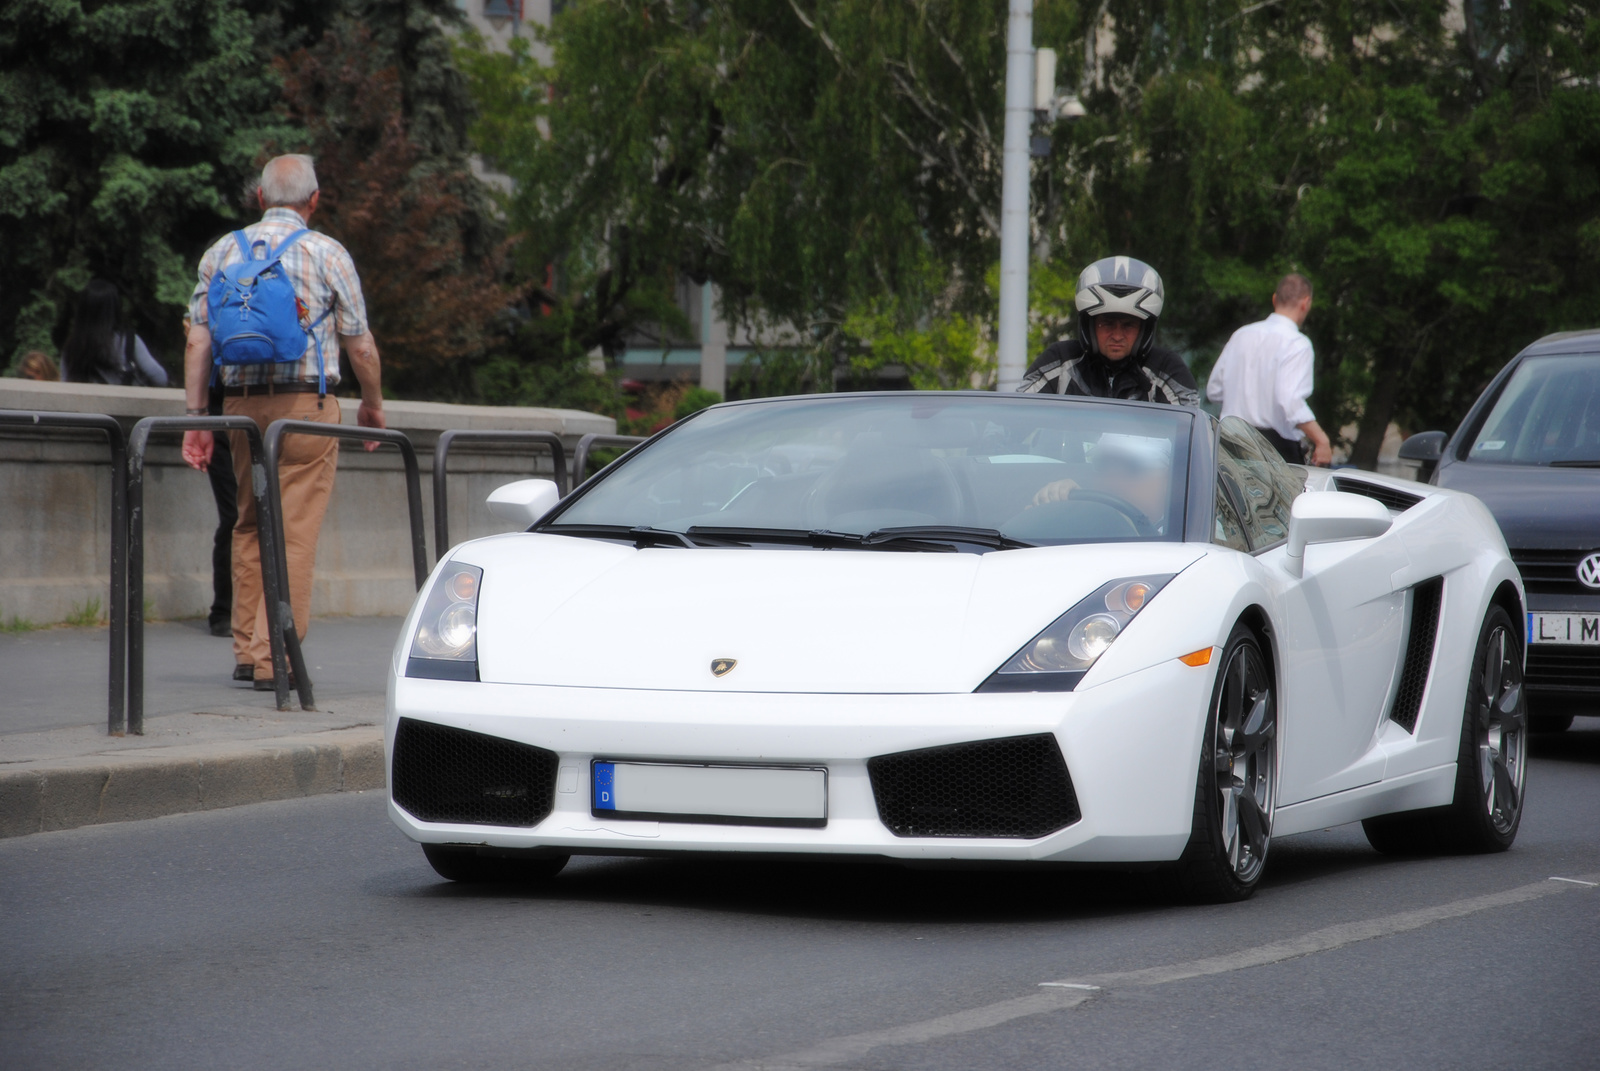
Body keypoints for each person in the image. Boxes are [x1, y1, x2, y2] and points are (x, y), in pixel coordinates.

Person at [179, 154, 386, 691]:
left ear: (259, 197)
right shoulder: (326, 252)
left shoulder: (222, 250)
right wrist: (373, 403)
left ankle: (247, 650)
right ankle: (278, 660)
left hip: (240, 408)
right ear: (314, 200)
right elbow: (359, 343)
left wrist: (196, 418)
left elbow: (199, 340)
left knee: (247, 522)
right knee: (293, 534)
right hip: (305, 409)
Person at [1018, 257, 1200, 406]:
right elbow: (1015, 418)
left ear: (1145, 329)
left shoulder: (1166, 371)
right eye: (1107, 324)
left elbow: (1190, 436)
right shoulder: (1059, 361)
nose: (1117, 335)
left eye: (1128, 325)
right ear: (1088, 325)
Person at [1206, 273, 1333, 466]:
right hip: (1274, 450)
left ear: (1274, 299)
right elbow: (1289, 401)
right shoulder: (1297, 344)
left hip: (1229, 444)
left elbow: (1214, 390)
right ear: (1306, 303)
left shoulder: (1241, 335)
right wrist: (1321, 440)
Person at [1030, 432, 1175, 534]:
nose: (1113, 482)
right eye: (1103, 464)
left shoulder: (1183, 541)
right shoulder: (1076, 517)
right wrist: (1054, 506)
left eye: (1133, 467)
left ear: (1166, 479)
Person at [59, 279, 169, 387]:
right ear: (114, 309)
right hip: (122, 403)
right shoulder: (128, 341)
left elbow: (65, 382)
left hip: (84, 404)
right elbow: (160, 378)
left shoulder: (72, 347)